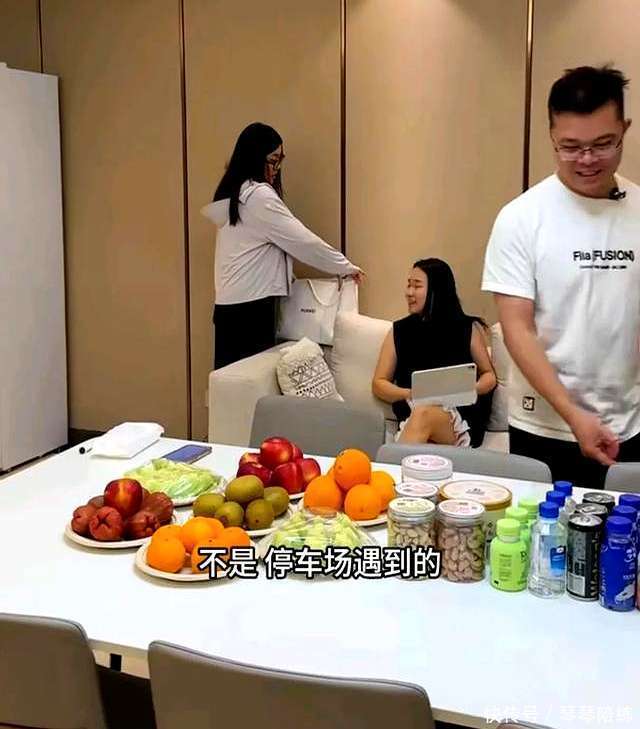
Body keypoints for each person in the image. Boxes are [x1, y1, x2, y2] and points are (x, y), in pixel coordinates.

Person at [482, 65, 640, 488]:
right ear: (552, 136)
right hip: (545, 428)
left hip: (631, 423)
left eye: (603, 144)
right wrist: (573, 415)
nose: (587, 160)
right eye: (570, 147)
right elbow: (518, 329)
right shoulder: (521, 218)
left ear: (624, 129)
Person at [201, 122, 363, 369]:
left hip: (229, 311)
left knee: (232, 385)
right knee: (252, 385)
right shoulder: (259, 197)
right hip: (251, 311)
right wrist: (345, 267)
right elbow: (304, 242)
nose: (277, 169)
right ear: (255, 158)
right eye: (273, 160)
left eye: (280, 161)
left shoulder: (237, 194)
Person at [372, 258, 496, 447]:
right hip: (414, 416)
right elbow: (379, 383)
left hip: (455, 421)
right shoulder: (399, 330)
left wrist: (469, 389)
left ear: (436, 290)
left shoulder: (466, 328)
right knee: (422, 412)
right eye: (408, 285)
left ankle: (390, 464)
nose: (409, 292)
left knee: (424, 413)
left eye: (417, 286)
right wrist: (410, 393)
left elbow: (489, 376)